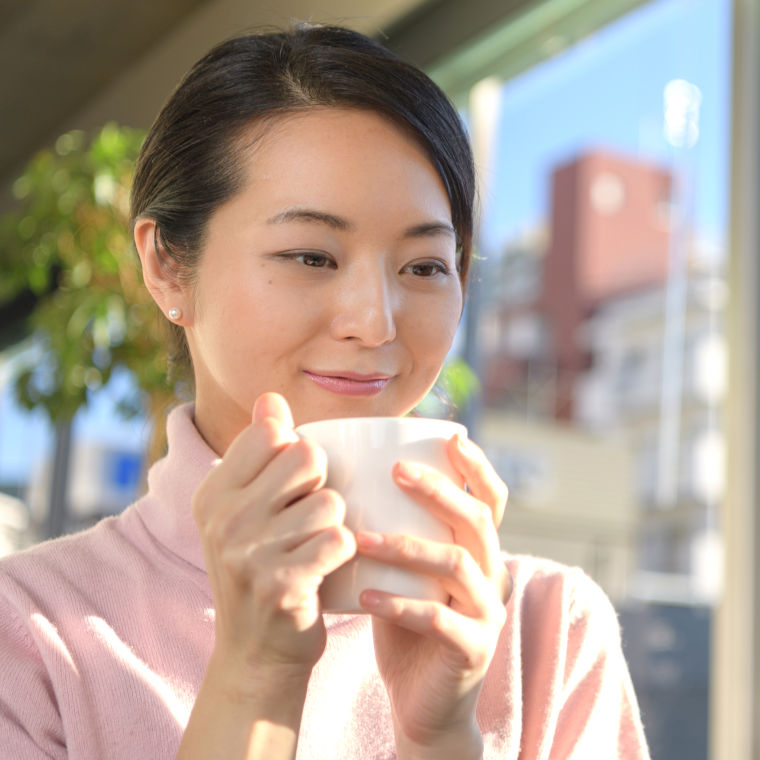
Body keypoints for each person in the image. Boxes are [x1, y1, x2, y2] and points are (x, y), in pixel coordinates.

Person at [0, 24, 650, 759]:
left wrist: (441, 737)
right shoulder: (29, 632)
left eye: (425, 266)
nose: (376, 323)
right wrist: (253, 678)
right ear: (168, 267)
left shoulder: (548, 629)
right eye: (311, 255)